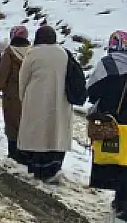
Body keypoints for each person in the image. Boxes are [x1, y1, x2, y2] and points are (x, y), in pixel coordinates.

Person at [85, 30, 127, 223]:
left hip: (111, 119)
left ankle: (123, 202)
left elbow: (92, 91)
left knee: (113, 157)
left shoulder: (106, 65)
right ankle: (124, 197)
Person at [16, 25, 84, 182]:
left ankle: (38, 168)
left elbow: (23, 79)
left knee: (37, 135)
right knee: (56, 133)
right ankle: (53, 168)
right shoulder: (63, 53)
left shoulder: (32, 54)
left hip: (36, 100)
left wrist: (23, 99)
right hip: (60, 101)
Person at [0, 25, 32, 162]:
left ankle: (14, 156)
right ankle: (27, 155)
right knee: (27, 125)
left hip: (12, 97)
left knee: (13, 127)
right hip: (31, 97)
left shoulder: (9, 53)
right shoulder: (33, 53)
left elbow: (0, 77)